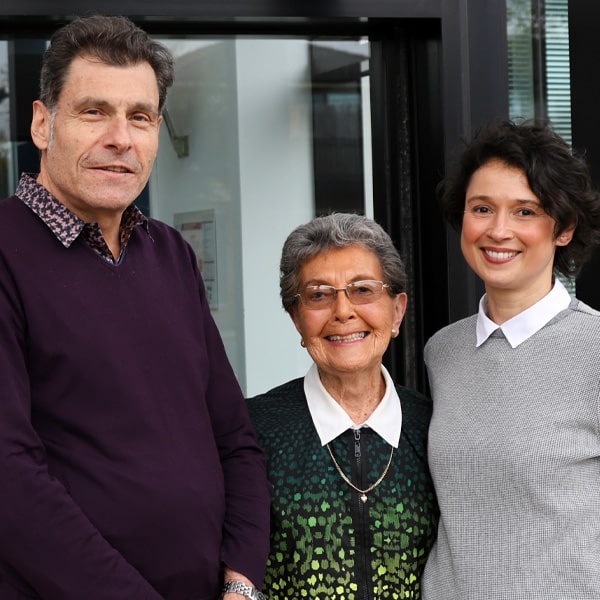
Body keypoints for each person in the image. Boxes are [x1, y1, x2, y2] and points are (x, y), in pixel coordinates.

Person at [0, 15, 271, 600]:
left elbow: (235, 439)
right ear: (43, 124)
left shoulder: (169, 253)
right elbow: (9, 479)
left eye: (141, 117)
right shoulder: (4, 252)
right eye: (94, 112)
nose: (121, 138)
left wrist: (243, 581)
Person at [422, 120, 600, 599]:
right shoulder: (443, 351)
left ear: (563, 228)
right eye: (482, 209)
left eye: (525, 211)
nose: (498, 231)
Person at [247, 212, 439, 600]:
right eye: (319, 295)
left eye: (363, 290)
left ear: (397, 310)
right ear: (296, 319)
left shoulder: (437, 428)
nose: (343, 312)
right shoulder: (251, 431)